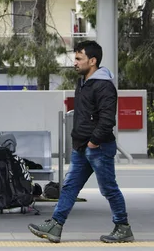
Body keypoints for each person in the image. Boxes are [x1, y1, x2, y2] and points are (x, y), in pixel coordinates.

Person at [28, 41, 134, 243]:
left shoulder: (103, 86)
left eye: (79, 59)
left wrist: (93, 142)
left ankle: (123, 227)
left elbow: (107, 120)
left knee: (108, 189)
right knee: (69, 187)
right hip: (81, 146)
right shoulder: (84, 83)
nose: (74, 63)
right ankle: (55, 225)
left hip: (98, 147)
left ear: (92, 61)